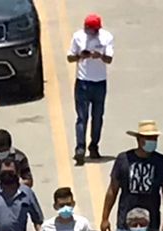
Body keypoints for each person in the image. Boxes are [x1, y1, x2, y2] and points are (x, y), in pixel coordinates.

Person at [68, 14, 114, 163]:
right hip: (83, 82)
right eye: (90, 29)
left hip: (99, 82)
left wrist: (99, 56)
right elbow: (70, 57)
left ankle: (94, 145)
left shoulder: (107, 37)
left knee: (98, 117)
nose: (93, 32)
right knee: (82, 117)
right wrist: (80, 56)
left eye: (95, 30)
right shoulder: (78, 37)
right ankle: (80, 148)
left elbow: (109, 59)